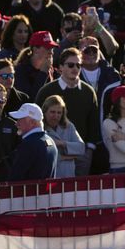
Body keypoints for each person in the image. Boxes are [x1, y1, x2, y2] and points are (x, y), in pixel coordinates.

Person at [35, 48, 99, 176]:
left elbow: (94, 121)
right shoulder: (47, 90)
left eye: (78, 65)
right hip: (53, 151)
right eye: (70, 65)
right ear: (60, 67)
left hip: (81, 152)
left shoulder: (88, 91)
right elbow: (37, 120)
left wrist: (90, 149)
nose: (75, 68)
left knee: (80, 193)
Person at [8, 103, 59, 181]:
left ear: (32, 122)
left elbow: (15, 178)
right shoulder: (50, 141)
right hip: (45, 192)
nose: (16, 123)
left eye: (20, 120)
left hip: (28, 192)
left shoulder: (28, 145)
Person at [42, 95, 85, 178]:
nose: (56, 116)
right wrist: (68, 156)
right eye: (52, 112)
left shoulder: (69, 126)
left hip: (68, 176)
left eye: (59, 113)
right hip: (50, 178)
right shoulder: (40, 129)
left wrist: (62, 143)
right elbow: (44, 156)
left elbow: (81, 148)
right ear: (45, 112)